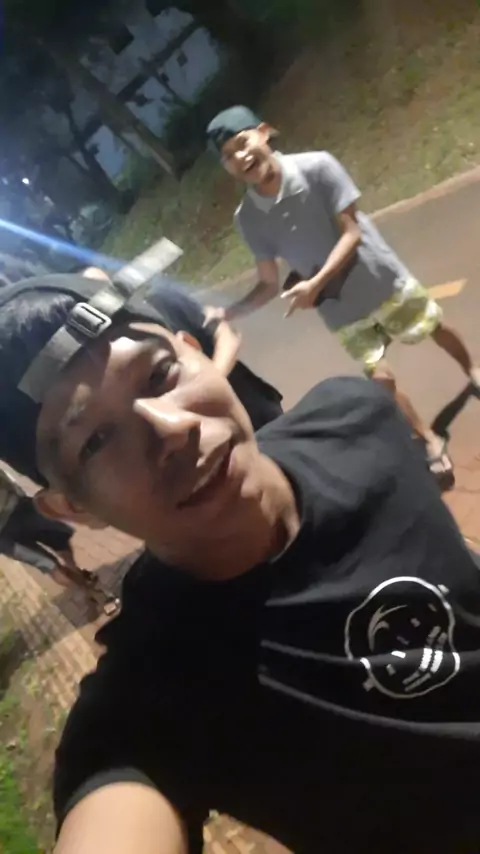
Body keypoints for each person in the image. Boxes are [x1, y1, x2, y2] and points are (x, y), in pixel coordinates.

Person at [1, 272, 480, 854]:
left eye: (159, 374)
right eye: (97, 440)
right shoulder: (156, 694)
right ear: (72, 507)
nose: (173, 428)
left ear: (197, 352)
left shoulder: (358, 417)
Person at [205, 105, 480, 482]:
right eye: (228, 156)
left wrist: (314, 283)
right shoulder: (248, 218)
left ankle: (472, 369)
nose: (240, 157)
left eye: (242, 142)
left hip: (379, 278)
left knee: (434, 326)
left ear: (264, 133)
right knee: (381, 381)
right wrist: (229, 312)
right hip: (337, 308)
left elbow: (353, 233)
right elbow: (268, 282)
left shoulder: (317, 167)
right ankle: (429, 439)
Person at [82, 266, 283, 432]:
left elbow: (228, 335)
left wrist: (207, 386)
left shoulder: (161, 301)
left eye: (108, 289)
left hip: (253, 407)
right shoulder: (106, 360)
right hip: (208, 436)